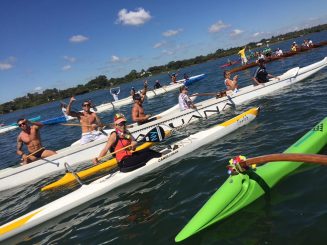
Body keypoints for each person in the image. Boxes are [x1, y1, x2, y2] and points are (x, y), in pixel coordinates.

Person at [92, 113, 161, 172]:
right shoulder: (114, 135)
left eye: (124, 123)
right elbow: (105, 149)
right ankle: (161, 158)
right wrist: (98, 158)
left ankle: (160, 156)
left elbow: (133, 145)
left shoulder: (127, 132)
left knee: (147, 150)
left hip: (130, 156)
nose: (123, 125)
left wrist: (134, 144)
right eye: (120, 124)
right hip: (124, 162)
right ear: (116, 125)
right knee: (148, 153)